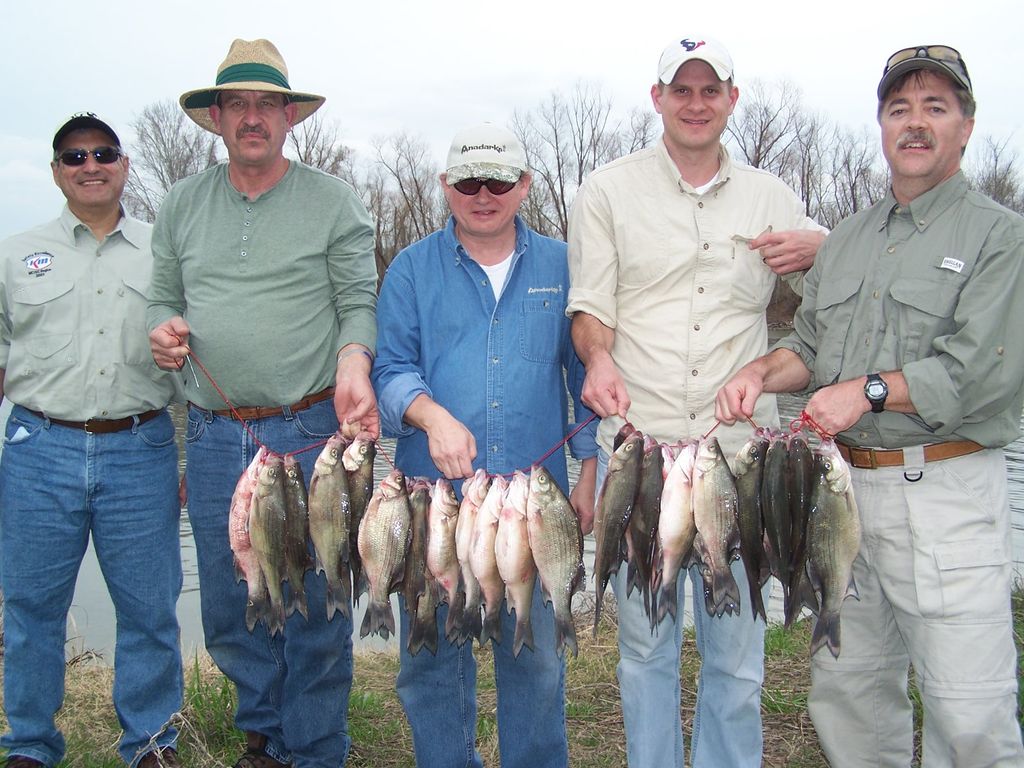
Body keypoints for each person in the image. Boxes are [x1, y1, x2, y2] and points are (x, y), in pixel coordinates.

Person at [716, 45, 1024, 767]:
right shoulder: (848, 238)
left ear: (968, 126)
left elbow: (983, 371)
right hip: (842, 491)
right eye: (899, 109)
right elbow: (814, 349)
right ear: (882, 126)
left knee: (968, 709)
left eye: (936, 108)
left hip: (944, 493)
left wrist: (870, 390)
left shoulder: (1000, 237)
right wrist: (761, 372)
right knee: (849, 692)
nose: (915, 124)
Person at [567, 36, 827, 768]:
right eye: (680, 89)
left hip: (740, 459)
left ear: (732, 100)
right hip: (636, 454)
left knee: (738, 657)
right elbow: (590, 310)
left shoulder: (774, 198)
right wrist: (597, 356)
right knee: (645, 648)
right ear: (656, 98)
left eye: (710, 89)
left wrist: (824, 249)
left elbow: (825, 313)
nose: (695, 102)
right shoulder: (606, 190)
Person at [146, 39, 378, 768]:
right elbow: (160, 296)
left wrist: (352, 359)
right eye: (237, 104)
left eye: (266, 104)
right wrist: (163, 329)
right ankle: (263, 738)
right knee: (232, 595)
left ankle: (313, 749)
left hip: (312, 431)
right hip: (215, 434)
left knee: (315, 593)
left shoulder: (333, 199)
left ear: (289, 116)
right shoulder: (182, 203)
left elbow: (357, 300)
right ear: (215, 118)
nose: (252, 117)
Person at [372, 123, 598, 768]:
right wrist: (431, 417)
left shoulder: (563, 265)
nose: (483, 194)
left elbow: (586, 373)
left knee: (536, 660)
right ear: (445, 187)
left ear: (525, 186)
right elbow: (390, 368)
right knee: (431, 661)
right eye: (467, 182)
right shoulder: (412, 269)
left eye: (498, 181)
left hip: (535, 507)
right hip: (435, 504)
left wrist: (590, 471)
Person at [0, 113, 183, 768]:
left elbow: (191, 354)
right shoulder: (16, 255)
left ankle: (153, 742)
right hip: (36, 448)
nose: (90, 165)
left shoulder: (167, 251)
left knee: (149, 609)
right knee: (30, 610)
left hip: (141, 447)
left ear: (124, 163)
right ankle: (29, 745)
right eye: (74, 157)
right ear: (56, 172)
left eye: (103, 153)